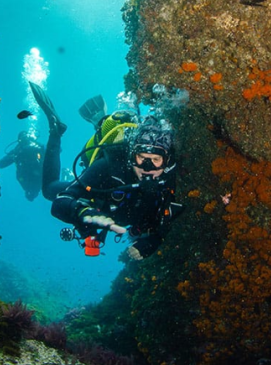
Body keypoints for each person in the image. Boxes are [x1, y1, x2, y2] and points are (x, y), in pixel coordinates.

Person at [29, 82, 183, 260]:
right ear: (132, 156)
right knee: (49, 189)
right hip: (97, 197)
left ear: (166, 162)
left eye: (156, 160)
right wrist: (82, 212)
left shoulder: (167, 176)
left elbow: (166, 216)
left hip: (118, 213)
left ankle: (100, 121)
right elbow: (60, 202)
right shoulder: (110, 165)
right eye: (142, 159)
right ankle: (56, 131)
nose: (146, 169)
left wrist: (153, 241)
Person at [0, 131, 43, 201]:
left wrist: (39, 148)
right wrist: (16, 156)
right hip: (28, 177)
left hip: (39, 174)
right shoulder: (17, 150)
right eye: (23, 137)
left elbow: (55, 151)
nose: (25, 139)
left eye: (26, 137)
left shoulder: (37, 146)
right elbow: (1, 164)